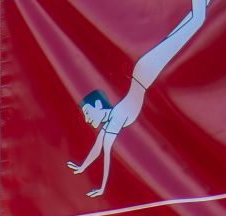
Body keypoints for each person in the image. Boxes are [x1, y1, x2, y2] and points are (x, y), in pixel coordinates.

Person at [68, 0, 211, 197]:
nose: (87, 119)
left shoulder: (114, 121)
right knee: (187, 24)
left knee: (195, 21)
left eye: (87, 112)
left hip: (145, 73)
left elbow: (107, 153)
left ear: (99, 105)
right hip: (144, 73)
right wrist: (83, 167)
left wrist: (102, 188)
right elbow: (97, 148)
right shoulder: (111, 122)